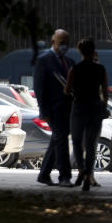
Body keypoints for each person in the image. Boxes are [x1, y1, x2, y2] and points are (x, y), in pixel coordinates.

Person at [64, 37, 108, 192]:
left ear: (80, 51)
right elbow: (105, 91)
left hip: (79, 107)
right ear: (93, 50)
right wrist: (103, 106)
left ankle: (82, 169)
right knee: (91, 144)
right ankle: (88, 173)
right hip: (95, 107)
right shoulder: (100, 69)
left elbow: (67, 90)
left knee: (76, 140)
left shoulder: (75, 69)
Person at [34, 29, 75, 187]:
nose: (64, 46)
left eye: (67, 42)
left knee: (57, 140)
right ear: (53, 41)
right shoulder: (44, 60)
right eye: (61, 43)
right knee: (62, 141)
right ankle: (65, 177)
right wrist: (44, 112)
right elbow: (39, 88)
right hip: (53, 110)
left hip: (67, 110)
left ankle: (44, 174)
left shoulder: (70, 61)